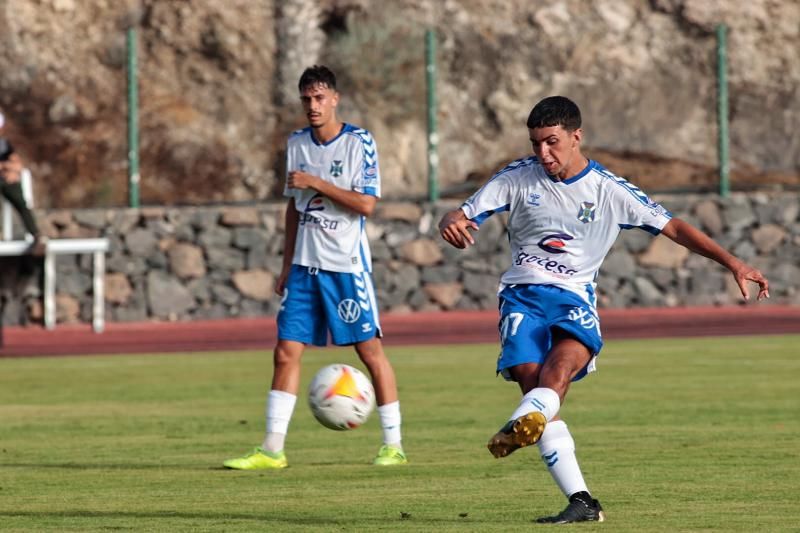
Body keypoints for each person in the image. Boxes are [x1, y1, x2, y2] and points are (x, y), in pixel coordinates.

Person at [438, 96, 769, 523]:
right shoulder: (518, 178)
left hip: (575, 300)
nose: (543, 153)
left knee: (554, 378)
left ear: (576, 137)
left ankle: (522, 429)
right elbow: (464, 211)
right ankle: (582, 502)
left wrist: (734, 263)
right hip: (522, 297)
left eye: (552, 142)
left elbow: (675, 227)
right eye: (536, 143)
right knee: (534, 388)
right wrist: (452, 218)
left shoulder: (610, 190)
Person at [224, 65, 407, 470]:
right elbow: (294, 206)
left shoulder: (359, 142)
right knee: (285, 352)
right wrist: (287, 263)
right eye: (306, 99)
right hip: (306, 266)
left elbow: (367, 205)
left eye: (320, 98)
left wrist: (317, 182)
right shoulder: (297, 143)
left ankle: (393, 444)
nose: (312, 106)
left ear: (335, 99)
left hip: (346, 266)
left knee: (369, 350)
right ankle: (272, 449)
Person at [0, 111, 47, 256]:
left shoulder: (4, 144)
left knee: (21, 203)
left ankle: (36, 236)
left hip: (5, 180)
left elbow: (16, 164)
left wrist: (11, 170)